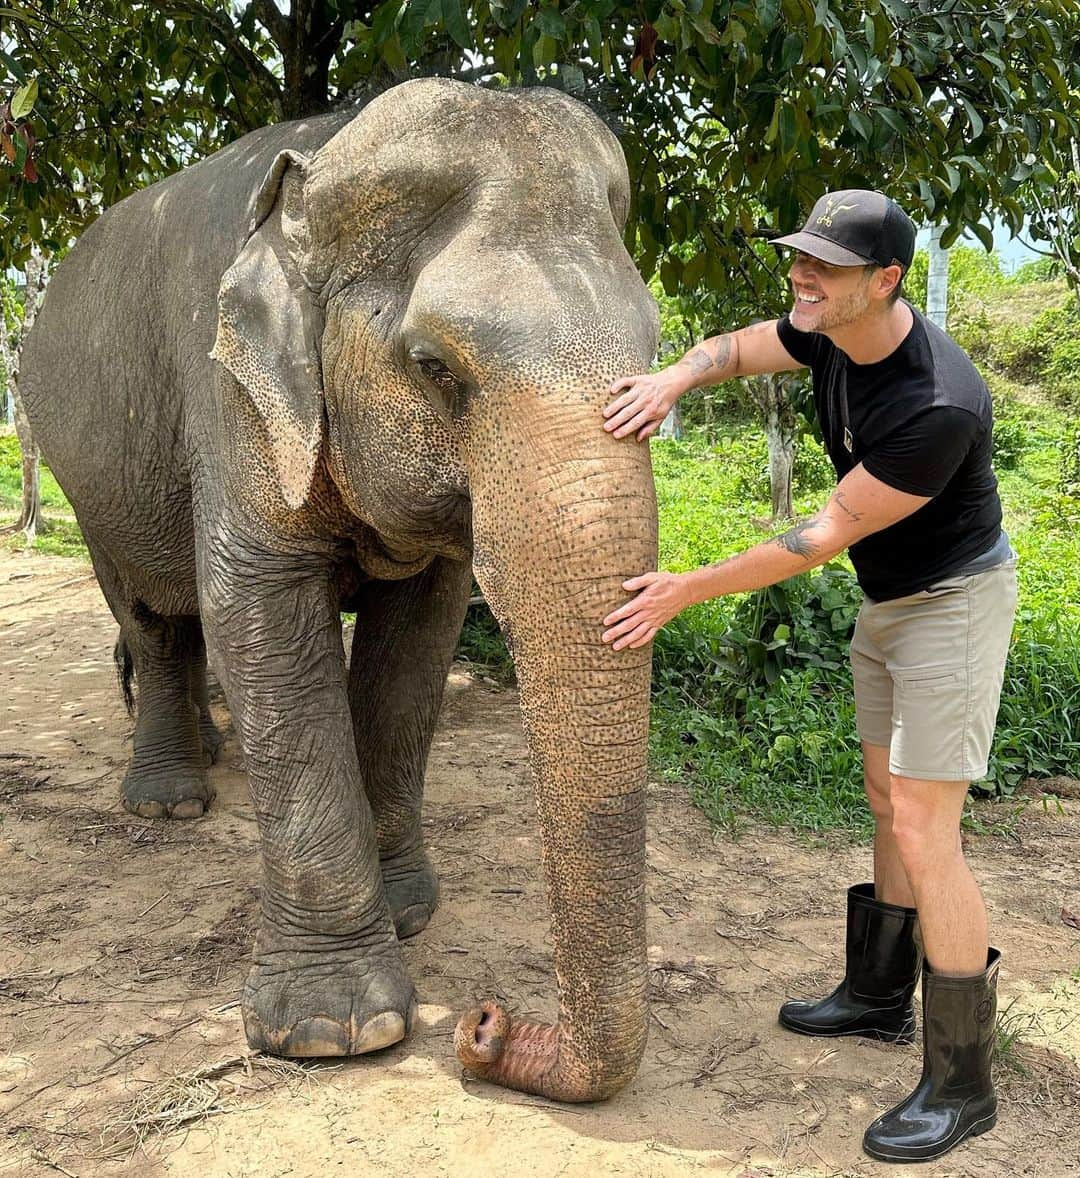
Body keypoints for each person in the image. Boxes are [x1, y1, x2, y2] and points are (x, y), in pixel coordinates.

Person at [601, 190, 1016, 1164]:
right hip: (892, 597)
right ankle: (876, 997)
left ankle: (964, 1083)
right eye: (801, 257)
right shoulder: (829, 330)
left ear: (886, 280)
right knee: (884, 798)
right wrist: (673, 378)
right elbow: (742, 348)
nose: (802, 276)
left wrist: (684, 589)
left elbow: (820, 533)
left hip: (952, 603)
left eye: (825, 265)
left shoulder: (936, 403)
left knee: (926, 822)